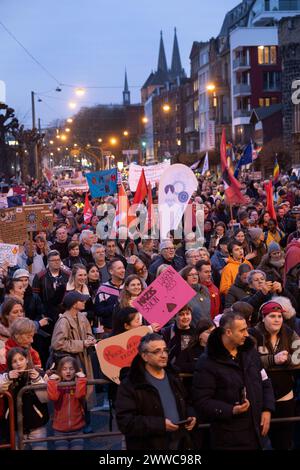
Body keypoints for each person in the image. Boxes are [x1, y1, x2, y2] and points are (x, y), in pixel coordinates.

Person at [192, 311, 275, 450]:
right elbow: (201, 401)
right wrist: (231, 410)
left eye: (246, 329)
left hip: (259, 434)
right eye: (242, 330)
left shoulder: (250, 352)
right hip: (229, 438)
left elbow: (265, 381)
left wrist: (267, 409)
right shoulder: (207, 362)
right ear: (228, 332)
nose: (247, 334)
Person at [115, 333, 197, 450]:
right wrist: (159, 425)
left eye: (165, 350)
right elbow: (125, 422)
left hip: (179, 442)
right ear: (144, 356)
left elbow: (187, 401)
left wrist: (191, 415)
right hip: (149, 445)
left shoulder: (173, 377)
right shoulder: (132, 383)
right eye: (157, 351)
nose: (163, 355)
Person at [249, 301, 299, 450]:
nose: (277, 319)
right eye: (272, 316)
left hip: (285, 395)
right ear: (263, 318)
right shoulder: (252, 333)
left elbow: (299, 357)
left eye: (279, 316)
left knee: (283, 439)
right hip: (259, 395)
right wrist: (273, 359)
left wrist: (287, 359)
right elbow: (249, 361)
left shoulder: (289, 332)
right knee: (260, 438)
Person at [50, 291, 96, 409]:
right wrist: (82, 343)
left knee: (85, 390)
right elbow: (58, 344)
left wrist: (90, 340)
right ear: (74, 304)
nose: (84, 302)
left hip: (84, 358)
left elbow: (89, 333)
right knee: (74, 393)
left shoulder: (81, 317)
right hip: (71, 362)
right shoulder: (63, 321)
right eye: (81, 300)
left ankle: (86, 420)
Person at [0, 347, 48, 450]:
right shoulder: (5, 375)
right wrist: (7, 378)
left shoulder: (38, 373)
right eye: (14, 361)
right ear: (10, 364)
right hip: (16, 426)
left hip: (37, 424)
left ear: (26, 359)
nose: (18, 363)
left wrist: (37, 380)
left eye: (21, 359)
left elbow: (46, 398)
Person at [47, 356, 87, 450]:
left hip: (77, 429)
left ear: (76, 370)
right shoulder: (58, 384)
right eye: (64, 369)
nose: (68, 371)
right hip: (59, 430)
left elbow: (79, 395)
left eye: (71, 369)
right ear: (59, 371)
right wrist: (52, 382)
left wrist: (81, 379)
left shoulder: (78, 383)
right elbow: (53, 397)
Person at [95, 258, 126, 332]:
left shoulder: (129, 287)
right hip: (111, 331)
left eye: (123, 268)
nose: (123, 270)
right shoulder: (103, 289)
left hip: (129, 330)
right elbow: (99, 311)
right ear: (111, 271)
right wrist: (116, 306)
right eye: (119, 268)